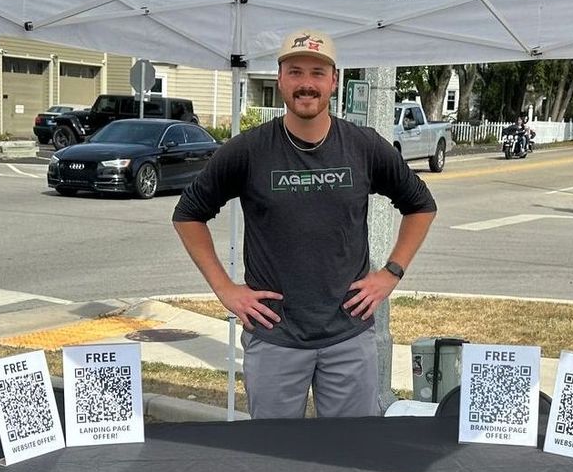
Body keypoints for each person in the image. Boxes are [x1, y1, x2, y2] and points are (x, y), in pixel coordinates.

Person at [172, 29, 437, 419]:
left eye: (317, 72)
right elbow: (188, 214)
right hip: (275, 337)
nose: (306, 84)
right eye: (295, 72)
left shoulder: (363, 146)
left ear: (334, 81)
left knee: (351, 458)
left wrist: (391, 273)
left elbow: (420, 205)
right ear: (280, 79)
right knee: (277, 460)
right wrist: (225, 289)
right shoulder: (249, 150)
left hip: (348, 335)